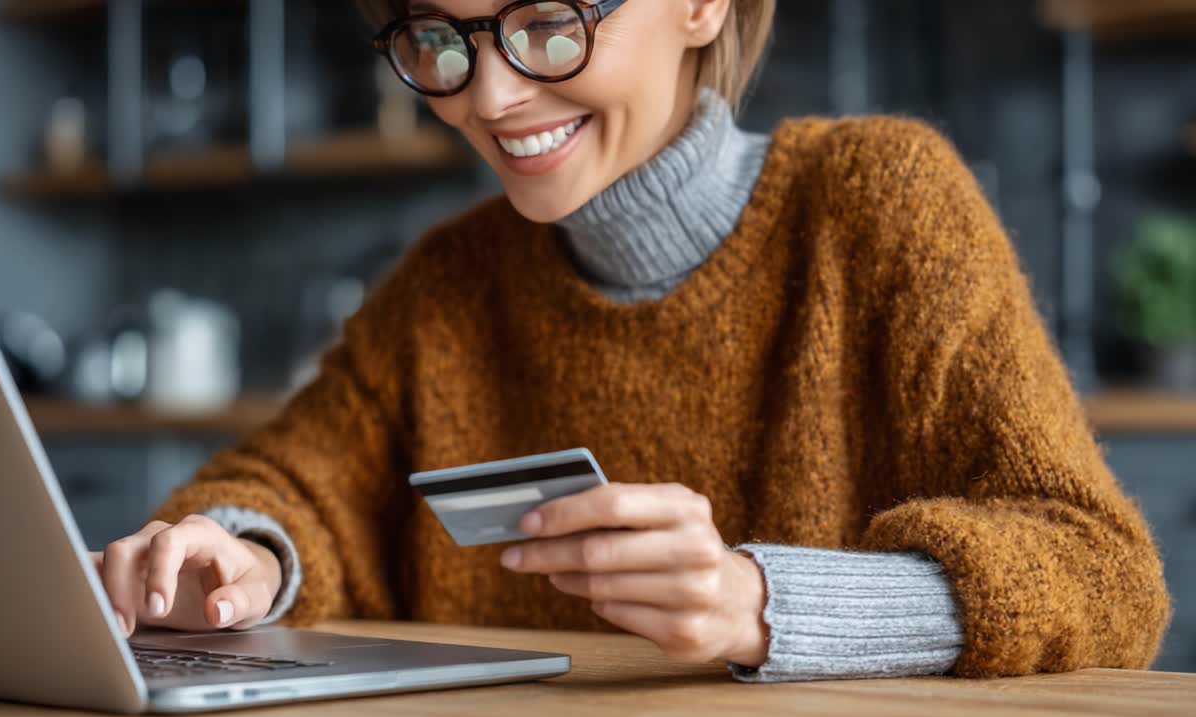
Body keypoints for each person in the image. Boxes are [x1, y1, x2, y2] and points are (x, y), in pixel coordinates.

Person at [91, 0, 1171, 681]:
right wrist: (237, 557)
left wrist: (761, 606)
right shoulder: (447, 284)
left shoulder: (877, 204)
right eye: (440, 39)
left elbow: (1105, 572)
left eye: (549, 24)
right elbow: (298, 491)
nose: (490, 97)